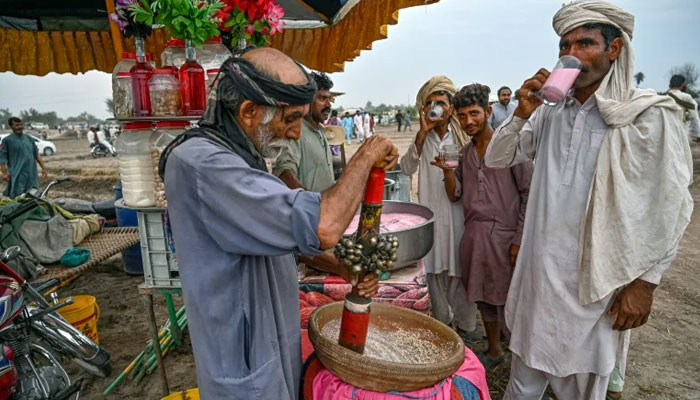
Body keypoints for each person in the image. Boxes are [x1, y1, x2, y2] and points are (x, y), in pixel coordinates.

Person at [159, 47, 398, 399]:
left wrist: (338, 265)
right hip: (243, 362)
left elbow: (274, 234)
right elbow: (324, 226)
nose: (296, 134)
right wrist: (367, 156)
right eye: (290, 119)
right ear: (249, 111)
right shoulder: (205, 165)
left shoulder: (240, 152)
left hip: (268, 340)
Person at [484, 2, 694, 399]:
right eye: (565, 44)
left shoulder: (646, 115)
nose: (572, 53)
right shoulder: (550, 113)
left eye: (585, 43)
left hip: (597, 287)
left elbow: (671, 206)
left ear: (614, 50)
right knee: (523, 385)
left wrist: (645, 283)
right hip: (540, 279)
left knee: (582, 389)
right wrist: (522, 114)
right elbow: (498, 158)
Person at [432, 84, 532, 370]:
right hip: (475, 235)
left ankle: (521, 357)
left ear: (487, 111)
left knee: (512, 298)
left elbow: (528, 193)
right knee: (483, 297)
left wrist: (519, 239)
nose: (469, 121)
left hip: (506, 235)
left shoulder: (510, 148)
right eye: (462, 116)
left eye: (474, 113)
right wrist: (448, 171)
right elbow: (455, 195)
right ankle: (494, 349)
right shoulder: (463, 154)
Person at [400, 75, 479, 343]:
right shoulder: (423, 138)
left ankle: (466, 327)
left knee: (458, 270)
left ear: (451, 107)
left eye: (441, 103)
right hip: (430, 213)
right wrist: (422, 133)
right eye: (430, 103)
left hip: (458, 216)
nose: (436, 108)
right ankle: (443, 326)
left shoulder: (462, 137)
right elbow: (406, 168)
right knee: (433, 271)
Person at [275, 71, 336, 192]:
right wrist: (308, 200)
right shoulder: (297, 131)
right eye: (322, 98)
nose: (328, 104)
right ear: (308, 101)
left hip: (326, 208)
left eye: (329, 99)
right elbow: (284, 172)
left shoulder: (320, 131)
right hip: (309, 208)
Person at [0, 117, 48, 198]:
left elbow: (36, 154)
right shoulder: (7, 140)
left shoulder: (29, 139)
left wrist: (43, 168)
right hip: (17, 173)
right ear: (11, 127)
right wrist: (4, 173)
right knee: (18, 195)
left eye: (20, 124)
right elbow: (2, 159)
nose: (19, 127)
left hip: (31, 173)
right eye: (16, 125)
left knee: (33, 194)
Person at [667, 74, 700, 142]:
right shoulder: (687, 97)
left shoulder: (663, 98)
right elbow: (692, 117)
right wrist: (697, 135)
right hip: (681, 132)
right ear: (683, 85)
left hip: (667, 133)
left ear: (669, 86)